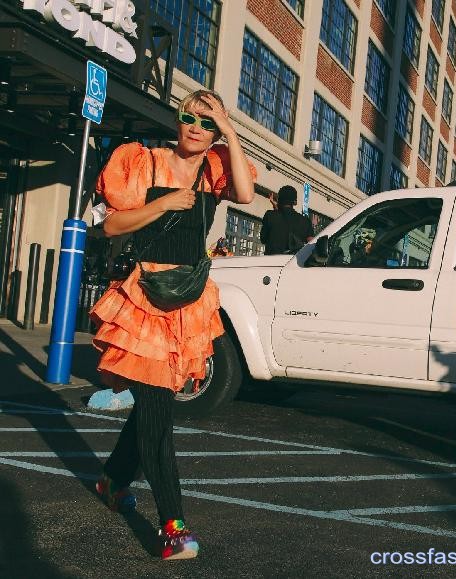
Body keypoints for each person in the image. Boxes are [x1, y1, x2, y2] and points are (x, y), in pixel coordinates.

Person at [89, 89, 256, 560]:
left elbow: (244, 194)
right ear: (176, 118)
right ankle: (172, 525)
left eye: (207, 122)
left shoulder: (217, 167)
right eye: (189, 117)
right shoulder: (143, 162)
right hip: (144, 300)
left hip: (188, 302)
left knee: (152, 406)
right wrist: (163, 204)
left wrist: (232, 132)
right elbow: (112, 226)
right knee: (158, 409)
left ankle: (112, 480)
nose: (196, 127)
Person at [260, 185, 314, 255]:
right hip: (293, 264)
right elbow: (311, 246)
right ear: (295, 202)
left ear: (279, 200)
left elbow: (263, 239)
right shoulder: (305, 221)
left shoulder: (269, 215)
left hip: (271, 263)